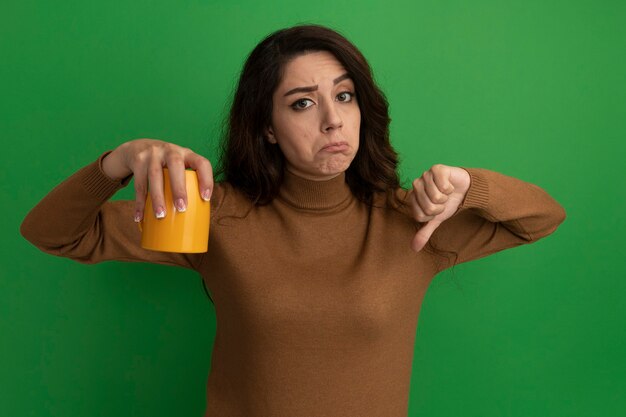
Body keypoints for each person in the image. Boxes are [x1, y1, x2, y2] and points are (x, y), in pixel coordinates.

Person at [20, 24, 566, 417]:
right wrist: (117, 162)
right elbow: (52, 233)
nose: (333, 119)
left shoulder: (412, 222)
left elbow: (543, 217)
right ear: (268, 128)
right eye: (303, 103)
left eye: (345, 96)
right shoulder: (214, 215)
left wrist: (475, 187)